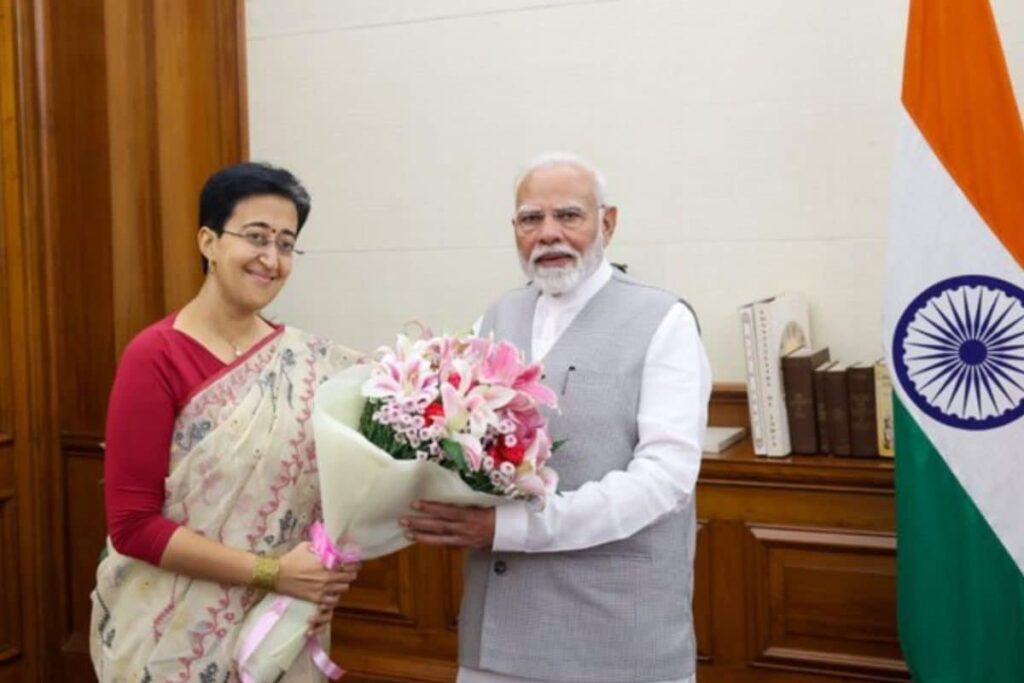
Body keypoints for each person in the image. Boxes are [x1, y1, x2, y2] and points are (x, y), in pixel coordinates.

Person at [403, 153, 712, 683]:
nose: (548, 234)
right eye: (530, 219)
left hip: (616, 638)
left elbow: (666, 481)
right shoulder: (495, 318)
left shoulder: (665, 320)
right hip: (499, 633)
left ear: (607, 223)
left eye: (569, 216)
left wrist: (515, 527)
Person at [90, 162, 361, 682]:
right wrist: (274, 573)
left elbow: (341, 500)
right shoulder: (156, 356)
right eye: (256, 237)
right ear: (208, 241)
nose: (271, 258)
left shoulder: (308, 362)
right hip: (169, 635)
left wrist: (321, 577)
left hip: (277, 631)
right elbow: (132, 525)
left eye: (286, 244)